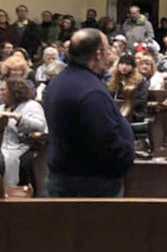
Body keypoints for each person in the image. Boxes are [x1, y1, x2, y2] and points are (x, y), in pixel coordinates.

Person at [43, 29, 134, 197]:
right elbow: (106, 142)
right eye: (107, 50)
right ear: (98, 54)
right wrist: (125, 158)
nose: (109, 55)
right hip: (92, 185)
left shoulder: (58, 83)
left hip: (61, 176)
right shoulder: (91, 92)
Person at [0, 78, 48, 186]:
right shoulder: (2, 107)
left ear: (14, 91)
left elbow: (40, 126)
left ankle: (8, 192)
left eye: (3, 90)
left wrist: (18, 118)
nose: (1, 93)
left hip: (20, 146)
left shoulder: (31, 106)